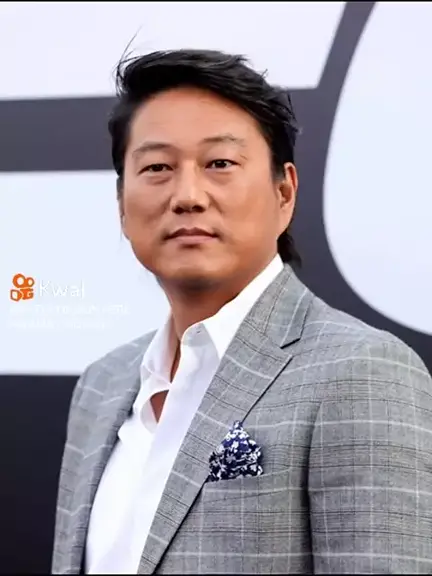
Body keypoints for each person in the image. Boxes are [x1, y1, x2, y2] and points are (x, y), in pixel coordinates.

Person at [52, 49, 432, 575]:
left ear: (284, 192)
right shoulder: (102, 384)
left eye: (220, 164)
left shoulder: (362, 372)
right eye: (157, 167)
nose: (187, 196)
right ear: (121, 204)